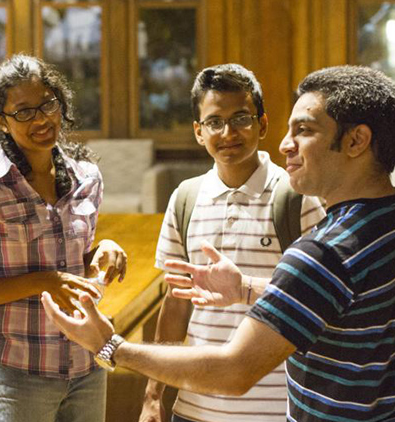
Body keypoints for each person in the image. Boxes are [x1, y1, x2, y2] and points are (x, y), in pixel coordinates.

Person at [42, 65, 395, 421]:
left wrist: (111, 346)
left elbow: (234, 372)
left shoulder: (323, 254)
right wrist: (247, 288)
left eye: (304, 130)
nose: (286, 145)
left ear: (356, 141)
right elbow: (346, 302)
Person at [0, 54, 128, 422]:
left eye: (48, 105)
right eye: (24, 112)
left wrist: (102, 249)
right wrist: (43, 282)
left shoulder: (86, 177)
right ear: (2, 121)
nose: (41, 119)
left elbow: (72, 257)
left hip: (87, 362)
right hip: (19, 372)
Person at [139, 64, 325, 422]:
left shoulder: (296, 197)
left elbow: (313, 299)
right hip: (194, 407)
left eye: (241, 118)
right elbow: (176, 306)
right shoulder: (185, 198)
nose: (228, 133)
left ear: (263, 124)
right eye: (214, 122)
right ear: (198, 131)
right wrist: (153, 394)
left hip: (275, 408)